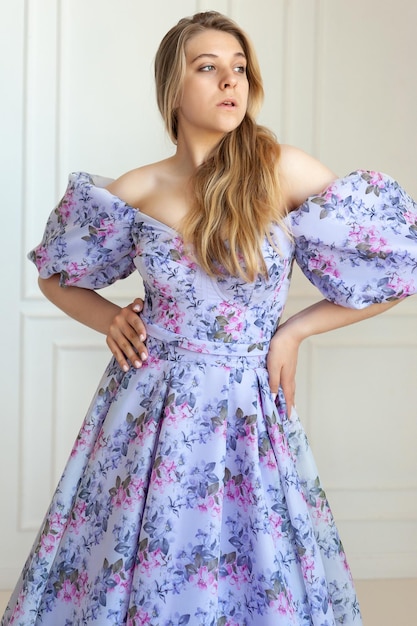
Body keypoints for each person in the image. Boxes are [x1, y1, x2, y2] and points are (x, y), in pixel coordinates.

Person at [2, 10, 417, 626]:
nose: (231, 81)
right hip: (148, 411)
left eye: (240, 69)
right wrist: (109, 317)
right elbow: (55, 273)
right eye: (209, 68)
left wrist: (295, 331)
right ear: (173, 86)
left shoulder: (279, 170)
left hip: (248, 407)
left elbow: (397, 264)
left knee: (252, 562)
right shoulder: (138, 189)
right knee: (137, 560)